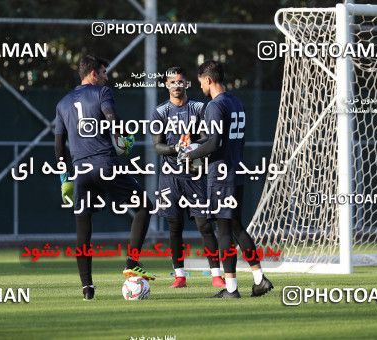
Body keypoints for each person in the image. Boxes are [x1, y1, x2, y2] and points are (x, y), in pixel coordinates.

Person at [54, 55, 156, 300]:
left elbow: (59, 146)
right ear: (93, 74)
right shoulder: (102, 92)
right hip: (105, 164)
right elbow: (112, 118)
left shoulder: (62, 103)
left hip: (79, 172)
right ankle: (132, 261)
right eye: (104, 72)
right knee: (144, 206)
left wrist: (63, 178)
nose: (106, 77)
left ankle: (87, 288)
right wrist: (122, 138)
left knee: (83, 229)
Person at [181, 60, 273, 298]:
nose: (200, 86)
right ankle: (259, 279)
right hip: (236, 170)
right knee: (235, 226)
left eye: (201, 81)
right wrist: (194, 144)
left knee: (224, 229)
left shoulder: (214, 105)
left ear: (208, 80)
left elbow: (214, 142)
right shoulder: (235, 102)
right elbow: (217, 139)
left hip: (221, 174)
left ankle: (231, 289)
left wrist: (189, 153)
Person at [151, 66, 225, 289]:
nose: (176, 86)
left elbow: (208, 138)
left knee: (204, 225)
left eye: (180, 82)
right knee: (174, 227)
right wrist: (176, 148)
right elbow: (157, 146)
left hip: (195, 175)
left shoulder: (200, 108)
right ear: (166, 85)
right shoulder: (160, 111)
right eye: (172, 82)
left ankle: (216, 274)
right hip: (170, 177)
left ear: (187, 84)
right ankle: (180, 276)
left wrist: (192, 144)